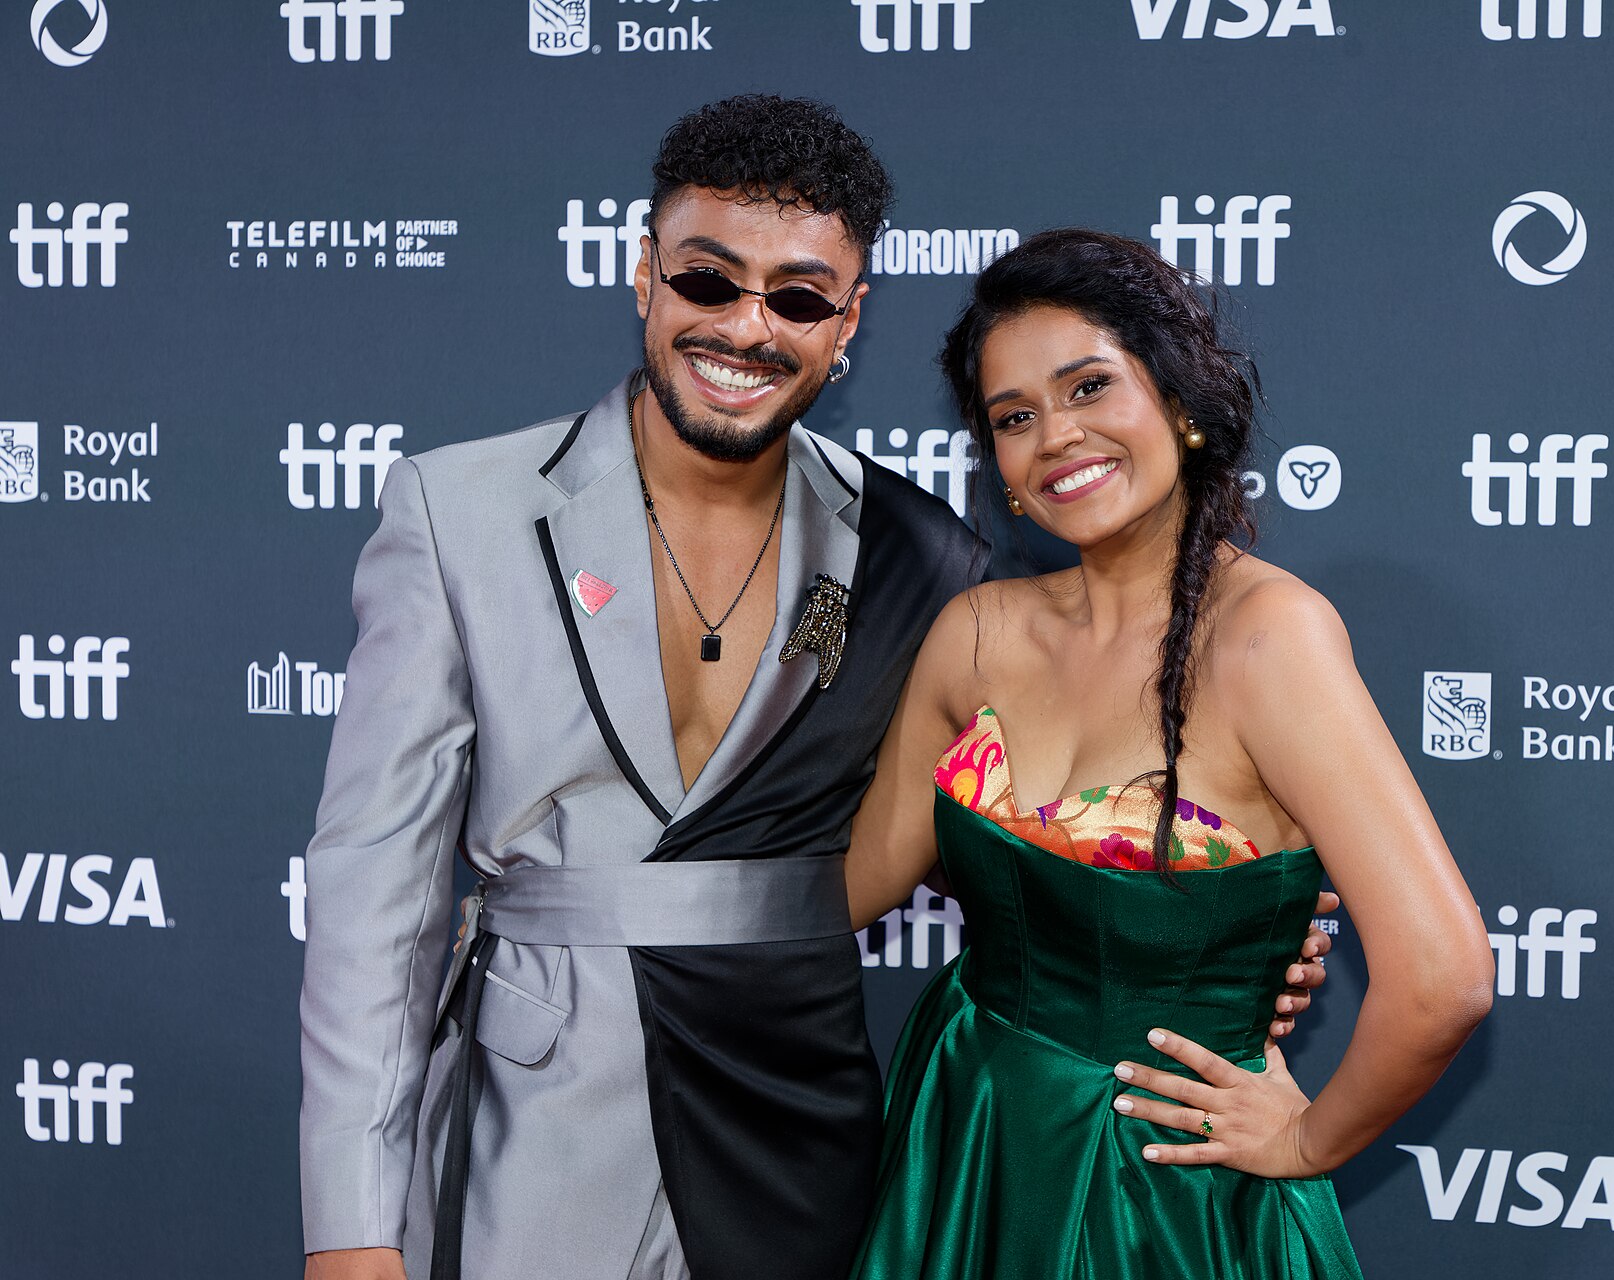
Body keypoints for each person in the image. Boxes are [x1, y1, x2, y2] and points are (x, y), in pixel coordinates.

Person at [298, 99, 1335, 1280]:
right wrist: (351, 1224)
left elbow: (968, 824)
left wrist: (1200, 931)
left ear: (847, 323)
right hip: (531, 1118)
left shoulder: (916, 548)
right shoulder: (457, 510)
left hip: (793, 1110)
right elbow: (373, 897)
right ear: (643, 274)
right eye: (707, 280)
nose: (747, 328)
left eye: (796, 298)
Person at [841, 229, 1495, 1278]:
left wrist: (1303, 1138)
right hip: (972, 1137)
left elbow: (1444, 974)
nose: (1056, 434)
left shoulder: (1269, 636)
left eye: (1090, 386)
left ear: (1181, 402)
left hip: (1161, 1190)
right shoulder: (976, 632)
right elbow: (851, 884)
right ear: (999, 469)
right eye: (1014, 417)